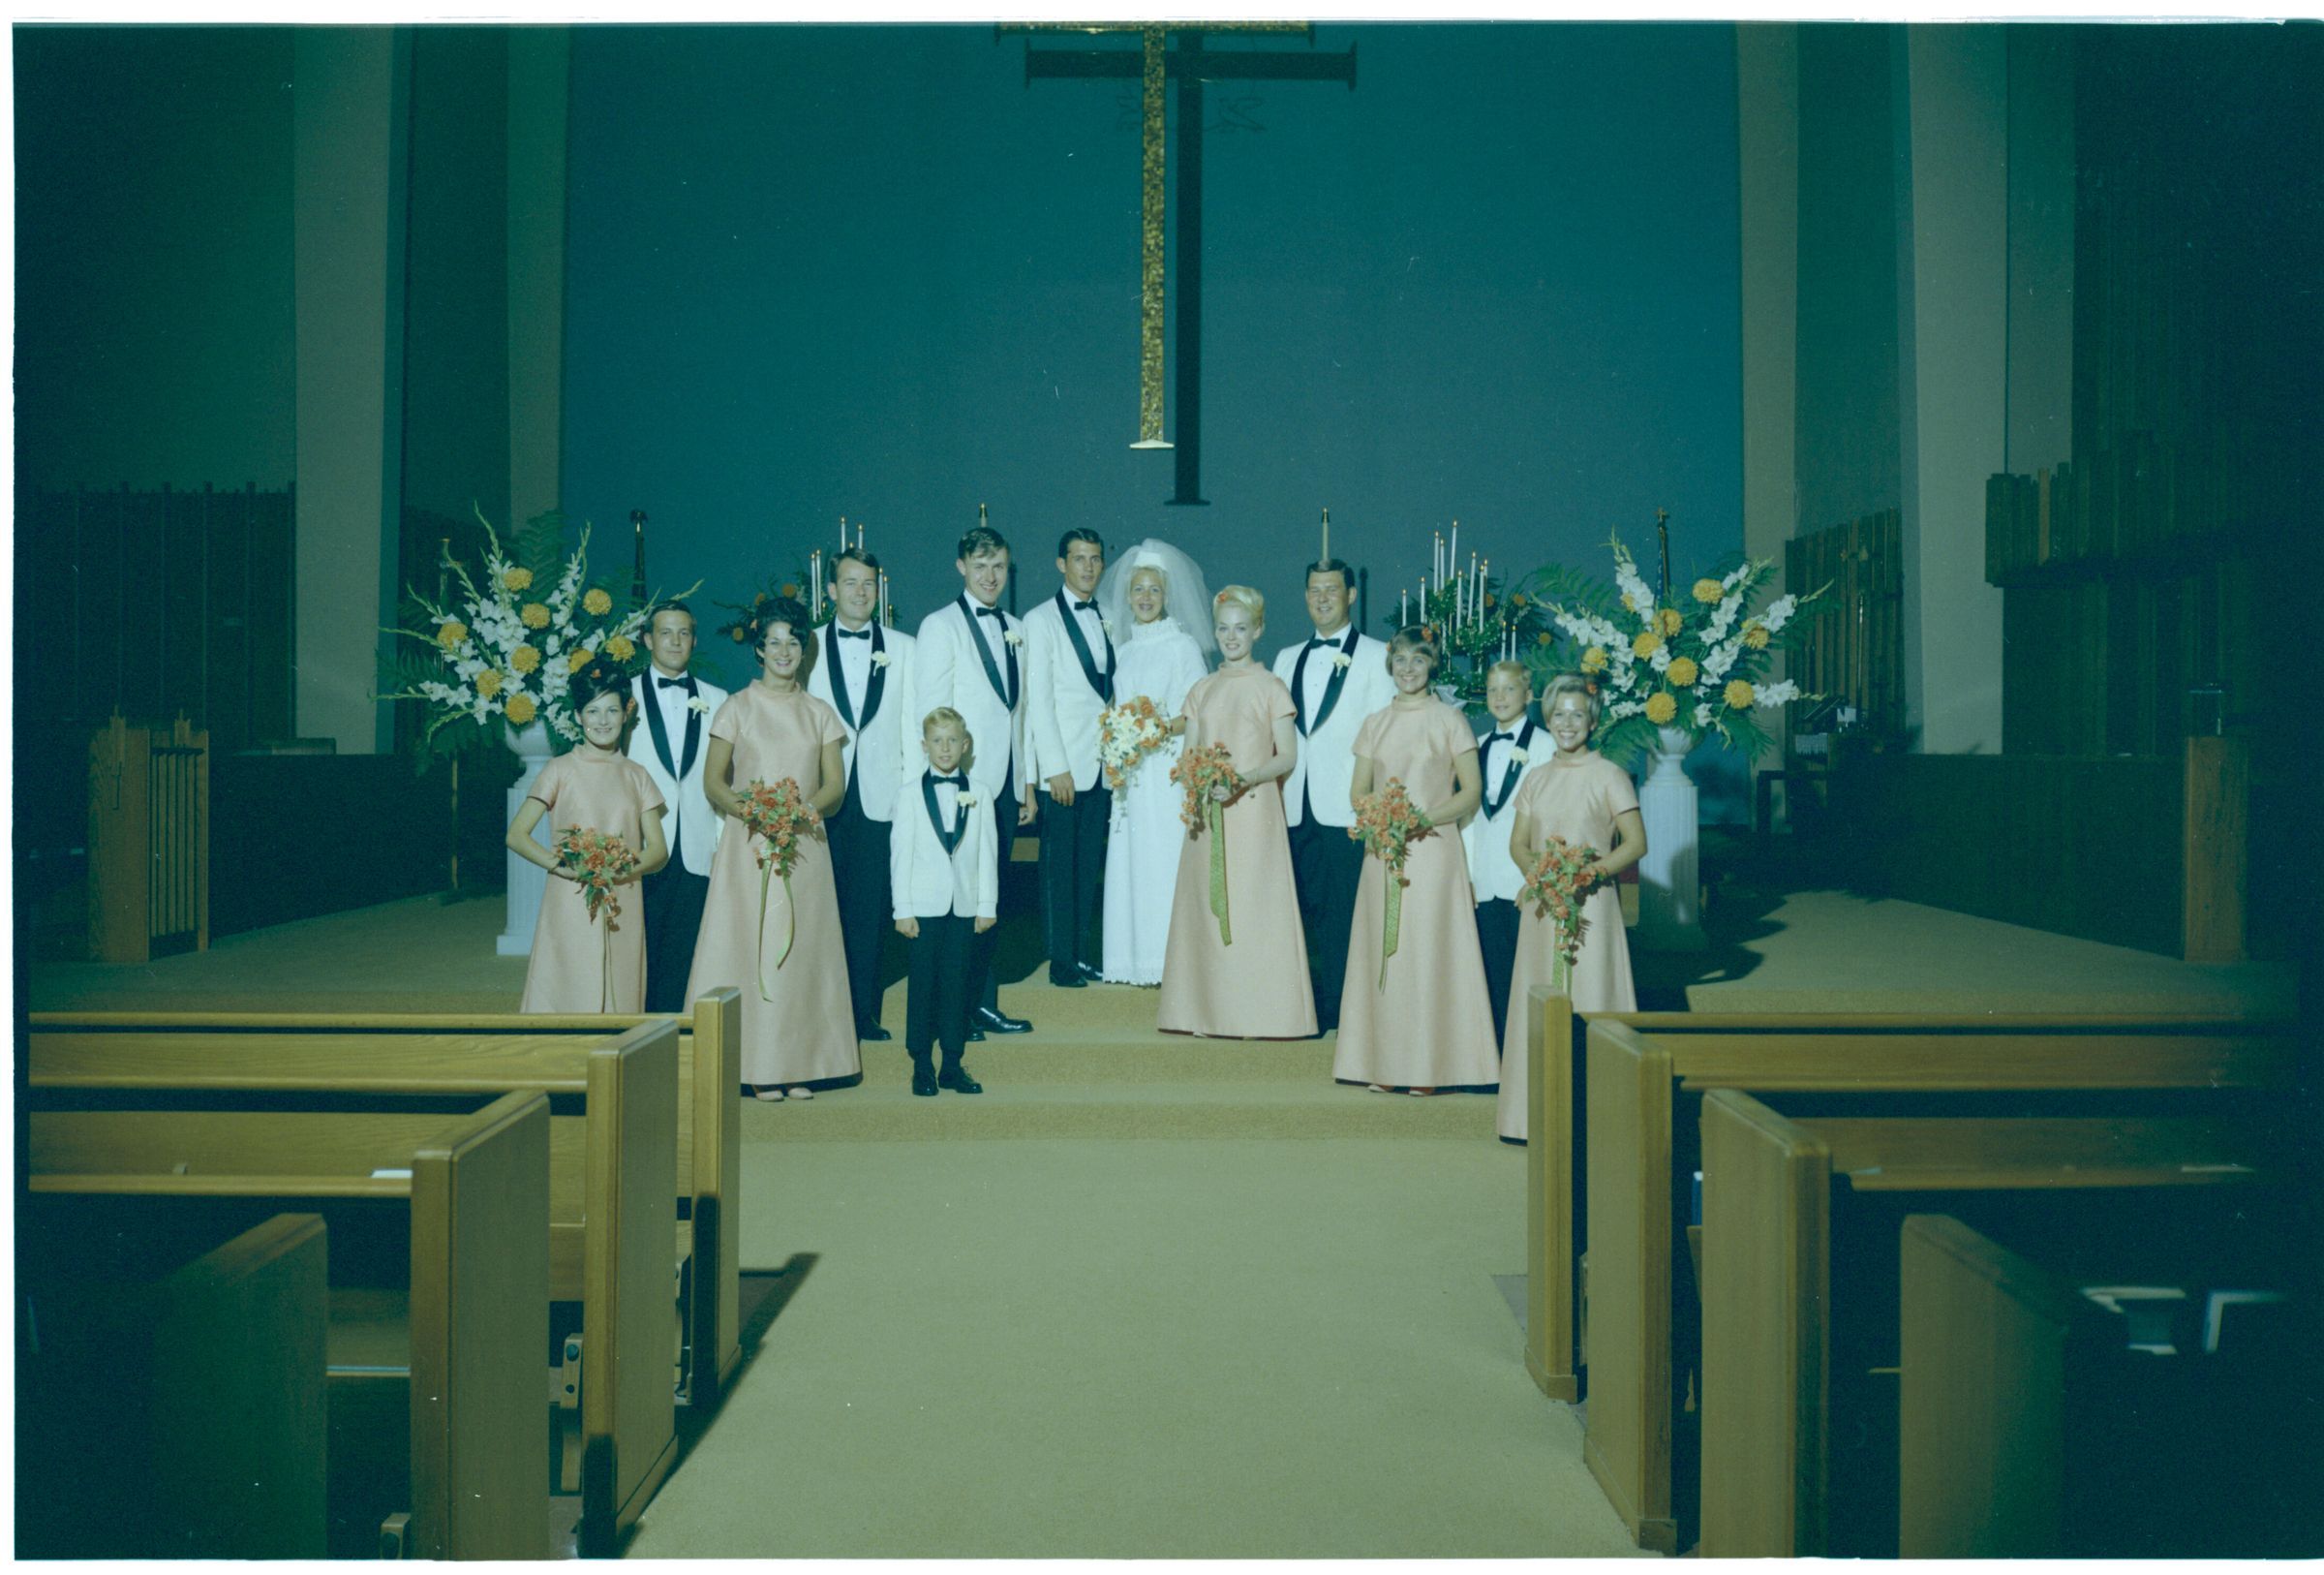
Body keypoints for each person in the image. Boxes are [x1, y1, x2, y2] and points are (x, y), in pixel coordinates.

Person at [686, 597, 861, 1101]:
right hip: (748, 846)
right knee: (752, 946)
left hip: (804, 845)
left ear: (804, 650)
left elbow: (834, 786)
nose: (784, 651)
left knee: (800, 950)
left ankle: (798, 1061)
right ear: (759, 649)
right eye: (774, 642)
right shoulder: (736, 707)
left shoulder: (819, 713)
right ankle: (757, 1064)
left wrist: (800, 812)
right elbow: (714, 782)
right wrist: (756, 813)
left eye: (794, 642)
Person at [1330, 627, 1500, 1095]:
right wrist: (1383, 819)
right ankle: (1384, 1065)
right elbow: (1358, 791)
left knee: (1427, 953)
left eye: (1418, 660)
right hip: (1384, 849)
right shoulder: (1375, 722)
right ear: (1391, 665)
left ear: (1432, 665)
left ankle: (1429, 1069)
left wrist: (1419, 819)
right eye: (1401, 660)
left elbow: (1471, 791)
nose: (1408, 669)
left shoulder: (1450, 719)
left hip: (1433, 850)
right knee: (1387, 954)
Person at [1157, 586, 1316, 1039]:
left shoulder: (1271, 688)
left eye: (1240, 628)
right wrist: (1200, 779)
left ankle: (1261, 1015)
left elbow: (1287, 756)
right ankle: (1205, 1013)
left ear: (1258, 630)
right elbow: (1188, 756)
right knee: (1208, 908)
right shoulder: (1202, 690)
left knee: (1253, 906)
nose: (1231, 637)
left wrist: (1244, 778)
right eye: (1224, 629)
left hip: (1254, 810)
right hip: (1207, 814)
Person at [1494, 674, 1646, 1141]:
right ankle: (1530, 1118)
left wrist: (1587, 874)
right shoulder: (1537, 777)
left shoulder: (1609, 775)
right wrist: (1543, 875)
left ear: (1592, 721)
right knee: (1540, 998)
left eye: (1577, 714)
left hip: (1591, 908)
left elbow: (1635, 843)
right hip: (1543, 908)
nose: (1567, 723)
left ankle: (1598, 1121)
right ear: (1548, 718)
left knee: (1590, 994)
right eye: (1559, 714)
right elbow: (1518, 844)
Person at [905, 521, 1037, 1036]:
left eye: (999, 566)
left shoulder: (1016, 627)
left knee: (989, 898)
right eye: (980, 566)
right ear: (961, 567)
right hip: (958, 784)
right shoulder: (941, 626)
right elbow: (931, 710)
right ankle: (952, 1012)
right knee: (954, 901)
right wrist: (940, 783)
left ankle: (981, 1003)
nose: (990, 576)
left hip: (1002, 786)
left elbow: (1018, 715)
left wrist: (1025, 783)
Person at [1271, 559, 1394, 1035]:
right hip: (1293, 803)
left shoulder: (1378, 656)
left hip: (1346, 807)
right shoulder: (1286, 658)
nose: (1322, 598)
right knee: (1300, 912)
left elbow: (1383, 739)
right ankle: (1306, 1008)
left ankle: (1345, 1012)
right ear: (1305, 596)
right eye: (1314, 590)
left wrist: (1374, 808)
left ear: (1350, 596)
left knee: (1343, 914)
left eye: (1332, 590)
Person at [512, 662, 670, 1013]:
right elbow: (517, 835)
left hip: (622, 893)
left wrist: (620, 868)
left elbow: (658, 849)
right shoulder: (559, 770)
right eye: (593, 711)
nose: (602, 721)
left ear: (626, 714)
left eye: (612, 710)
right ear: (577, 716)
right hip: (570, 894)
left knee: (620, 978)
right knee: (570, 974)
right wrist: (562, 867)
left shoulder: (637, 775)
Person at [806, 546, 916, 1041]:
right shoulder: (805, 645)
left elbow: (913, 726)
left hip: (880, 795)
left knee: (870, 911)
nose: (860, 592)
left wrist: (911, 798)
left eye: (868, 583)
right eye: (850, 583)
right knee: (819, 907)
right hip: (821, 796)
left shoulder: (905, 648)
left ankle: (863, 1013)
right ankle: (819, 1015)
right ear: (831, 590)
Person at [1093, 540, 1212, 985]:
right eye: (1138, 589)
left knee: (1163, 858)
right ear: (1128, 595)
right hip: (1131, 774)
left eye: (1154, 590)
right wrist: (1118, 737)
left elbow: (1196, 712)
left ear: (1167, 596)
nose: (1145, 597)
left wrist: (1155, 729)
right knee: (1132, 863)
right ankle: (1134, 957)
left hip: (1164, 770)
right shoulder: (1124, 650)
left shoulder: (1182, 646)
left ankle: (1171, 960)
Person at [1022, 528, 1115, 988]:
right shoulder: (1040, 620)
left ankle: (1079, 953)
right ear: (1062, 564)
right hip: (1063, 767)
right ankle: (1060, 961)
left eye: (1095, 559)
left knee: (1086, 866)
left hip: (1102, 764)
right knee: (1059, 868)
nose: (1088, 567)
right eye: (1079, 558)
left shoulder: (1108, 615)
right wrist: (1054, 766)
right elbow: (1038, 700)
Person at [627, 602, 729, 1013]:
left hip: (697, 842)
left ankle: (678, 1030)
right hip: (643, 840)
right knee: (641, 944)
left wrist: (722, 842)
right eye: (665, 632)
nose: (675, 641)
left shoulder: (717, 699)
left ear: (694, 640)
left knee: (687, 948)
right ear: (648, 639)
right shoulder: (624, 696)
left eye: (684, 633)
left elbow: (724, 778)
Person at [891, 707, 997, 1096]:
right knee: (923, 985)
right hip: (923, 908)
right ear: (925, 746)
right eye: (937, 741)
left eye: (953, 740)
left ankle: (952, 1063)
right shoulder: (908, 795)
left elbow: (987, 853)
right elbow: (900, 856)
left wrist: (986, 905)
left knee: (957, 984)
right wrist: (902, 909)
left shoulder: (980, 793)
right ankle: (921, 1063)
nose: (946, 748)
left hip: (964, 907)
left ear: (965, 745)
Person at [1461, 660, 1554, 1047]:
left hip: (1523, 880)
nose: (1500, 697)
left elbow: (1552, 819)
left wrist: (1538, 877)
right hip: (1484, 880)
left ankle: (1531, 1055)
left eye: (1509, 689)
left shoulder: (1547, 746)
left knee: (1529, 973)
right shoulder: (1476, 746)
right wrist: (1467, 876)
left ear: (1528, 695)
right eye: (1493, 690)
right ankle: (1497, 1057)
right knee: (1492, 973)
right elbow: (1467, 818)